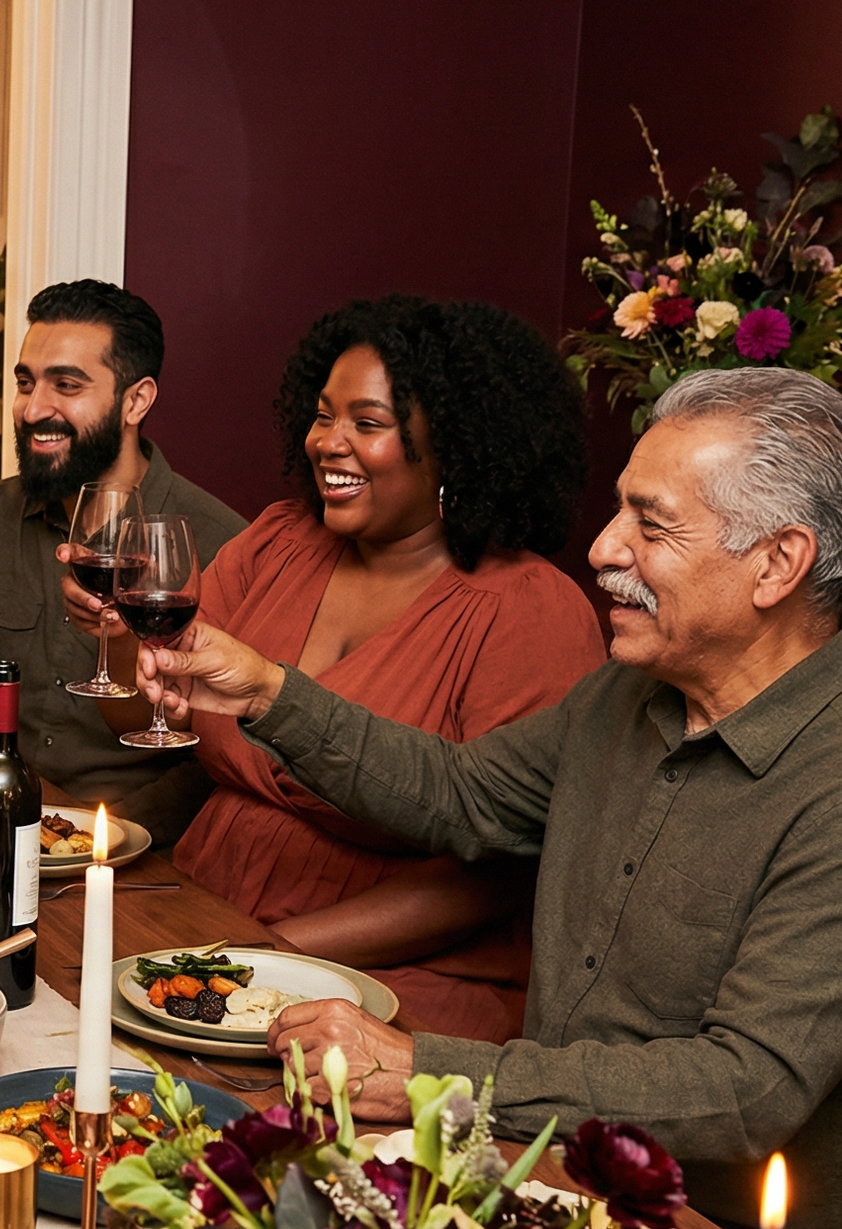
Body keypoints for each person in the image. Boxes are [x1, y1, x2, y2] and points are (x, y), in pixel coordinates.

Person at [136, 366, 842, 1229]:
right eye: (620, 513)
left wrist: (424, 1072)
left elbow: (741, 1091)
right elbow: (458, 793)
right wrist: (267, 692)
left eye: (651, 526)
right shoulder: (631, 694)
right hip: (557, 1168)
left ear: (778, 563)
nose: (604, 548)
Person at [172, 297, 601, 1044]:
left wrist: (279, 954)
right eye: (322, 415)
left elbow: (503, 866)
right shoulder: (280, 539)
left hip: (394, 980)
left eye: (366, 424)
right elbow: (146, 712)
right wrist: (116, 635)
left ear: (455, 450)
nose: (328, 443)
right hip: (205, 923)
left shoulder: (528, 609)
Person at [0, 278, 244, 842]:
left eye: (66, 385)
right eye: (26, 384)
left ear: (136, 400)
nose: (32, 410)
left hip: (133, 848)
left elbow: (226, 759)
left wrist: (112, 837)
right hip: (5, 816)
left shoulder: (224, 543)